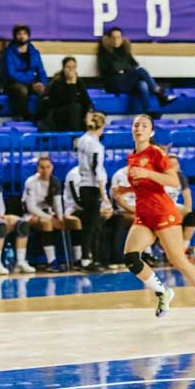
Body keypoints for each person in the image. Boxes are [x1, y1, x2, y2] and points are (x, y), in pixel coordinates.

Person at [111, 115, 195, 321]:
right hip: (144, 214)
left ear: (151, 131)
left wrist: (147, 173)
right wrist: (125, 190)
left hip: (162, 211)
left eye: (144, 126)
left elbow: (173, 181)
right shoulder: (132, 156)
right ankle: (162, 292)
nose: (139, 128)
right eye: (136, 125)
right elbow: (143, 185)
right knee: (131, 258)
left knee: (178, 259)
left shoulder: (156, 153)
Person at [22, 156, 82, 272]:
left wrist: (60, 218)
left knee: (75, 222)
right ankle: (52, 262)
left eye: (48, 167)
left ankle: (77, 260)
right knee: (47, 223)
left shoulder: (55, 182)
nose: (45, 170)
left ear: (52, 167)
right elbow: (31, 207)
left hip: (49, 213)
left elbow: (57, 204)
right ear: (37, 168)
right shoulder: (31, 182)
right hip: (31, 215)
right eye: (42, 167)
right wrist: (51, 218)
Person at [98, 27, 175, 112]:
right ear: (109, 39)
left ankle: (147, 111)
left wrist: (124, 70)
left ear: (122, 39)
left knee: (143, 84)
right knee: (140, 71)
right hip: (114, 84)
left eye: (119, 37)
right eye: (113, 38)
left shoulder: (124, 50)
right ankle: (159, 94)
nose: (116, 40)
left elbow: (135, 64)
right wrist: (126, 69)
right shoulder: (104, 52)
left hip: (126, 82)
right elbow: (112, 69)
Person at [75, 112, 110, 272]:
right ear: (101, 126)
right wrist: (103, 194)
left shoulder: (82, 139)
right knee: (92, 225)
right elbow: (96, 169)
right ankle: (87, 259)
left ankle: (89, 258)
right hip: (91, 187)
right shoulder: (96, 145)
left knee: (89, 225)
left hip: (83, 185)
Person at [64, 165, 113, 268]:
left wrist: (108, 208)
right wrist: (97, 211)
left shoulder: (101, 172)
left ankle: (101, 259)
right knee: (93, 219)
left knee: (107, 219)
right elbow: (77, 200)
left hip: (95, 209)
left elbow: (103, 193)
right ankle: (86, 258)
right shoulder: (74, 175)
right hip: (75, 209)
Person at [3, 24, 47, 121]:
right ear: (15, 36)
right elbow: (11, 73)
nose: (22, 36)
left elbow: (41, 71)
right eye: (19, 34)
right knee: (22, 90)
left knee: (44, 90)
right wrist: (30, 82)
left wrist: (42, 83)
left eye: (24, 33)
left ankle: (41, 118)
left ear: (28, 36)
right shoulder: (9, 53)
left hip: (32, 83)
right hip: (13, 84)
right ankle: (25, 118)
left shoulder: (34, 53)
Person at [40, 57, 93, 132]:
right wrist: (72, 85)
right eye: (68, 67)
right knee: (75, 108)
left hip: (75, 114)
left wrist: (90, 111)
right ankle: (75, 135)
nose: (71, 70)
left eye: (74, 67)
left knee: (95, 113)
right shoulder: (57, 83)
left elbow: (87, 101)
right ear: (63, 68)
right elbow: (70, 101)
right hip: (58, 115)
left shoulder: (79, 82)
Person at [165, 155, 195, 261]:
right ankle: (171, 252)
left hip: (173, 206)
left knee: (191, 216)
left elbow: (187, 196)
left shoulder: (180, 176)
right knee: (172, 218)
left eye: (176, 164)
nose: (174, 167)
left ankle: (183, 248)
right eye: (171, 165)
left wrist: (187, 211)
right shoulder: (159, 177)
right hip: (159, 207)